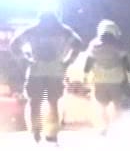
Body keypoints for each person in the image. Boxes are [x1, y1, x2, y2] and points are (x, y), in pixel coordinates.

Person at [16, 11, 81, 143]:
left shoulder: (32, 30)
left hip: (35, 71)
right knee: (53, 103)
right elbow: (78, 45)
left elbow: (14, 45)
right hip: (56, 72)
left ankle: (36, 131)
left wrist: (26, 59)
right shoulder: (64, 31)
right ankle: (52, 132)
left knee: (35, 102)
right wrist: (67, 62)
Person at [81, 19, 130, 134]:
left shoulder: (93, 44)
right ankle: (117, 127)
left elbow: (89, 61)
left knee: (102, 105)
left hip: (99, 79)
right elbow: (126, 61)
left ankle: (104, 127)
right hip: (116, 79)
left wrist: (85, 75)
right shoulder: (119, 44)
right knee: (117, 104)